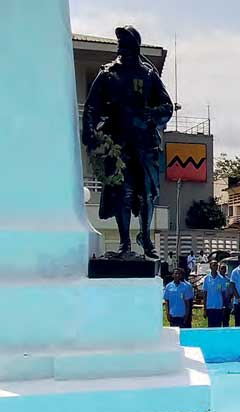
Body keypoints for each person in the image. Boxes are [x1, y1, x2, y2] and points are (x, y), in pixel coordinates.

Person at [81, 25, 172, 259]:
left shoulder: (148, 75)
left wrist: (151, 115)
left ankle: (147, 241)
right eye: (121, 46)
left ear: (135, 48)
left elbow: (167, 106)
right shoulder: (108, 73)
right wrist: (89, 129)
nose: (123, 51)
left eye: (127, 46)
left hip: (144, 145)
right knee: (123, 193)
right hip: (118, 145)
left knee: (147, 194)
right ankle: (124, 244)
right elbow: (91, 106)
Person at [202, 260, 228, 327]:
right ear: (210, 266)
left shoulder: (221, 279)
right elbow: (205, 293)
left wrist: (224, 306)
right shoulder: (206, 279)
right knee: (210, 326)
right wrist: (204, 308)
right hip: (210, 306)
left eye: (216, 265)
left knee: (218, 326)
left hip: (219, 306)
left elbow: (223, 293)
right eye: (213, 265)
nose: (215, 267)